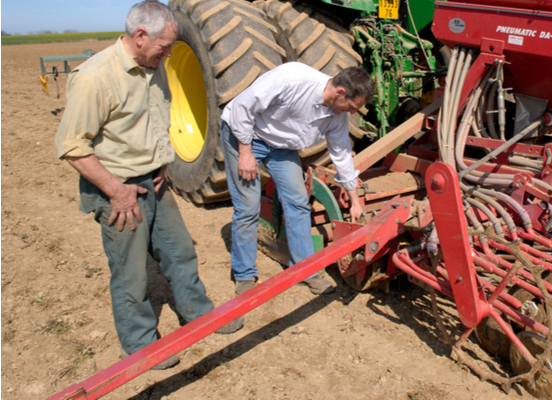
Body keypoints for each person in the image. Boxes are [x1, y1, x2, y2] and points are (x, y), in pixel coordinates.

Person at [54, 0, 242, 371]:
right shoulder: (95, 77)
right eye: (164, 45)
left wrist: (163, 161)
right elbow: (72, 147)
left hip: (154, 182)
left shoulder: (151, 66)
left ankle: (198, 313)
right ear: (140, 36)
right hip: (118, 190)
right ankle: (139, 343)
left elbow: (157, 114)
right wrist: (115, 189)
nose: (169, 53)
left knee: (180, 251)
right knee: (131, 270)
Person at [221, 62, 373, 298]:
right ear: (339, 92)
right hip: (246, 134)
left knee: (298, 202)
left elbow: (342, 154)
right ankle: (244, 274)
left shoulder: (337, 114)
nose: (351, 112)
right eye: (351, 107)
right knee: (248, 207)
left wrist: (354, 200)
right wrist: (245, 153)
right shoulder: (292, 79)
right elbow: (242, 108)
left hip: (282, 147)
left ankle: (305, 271)